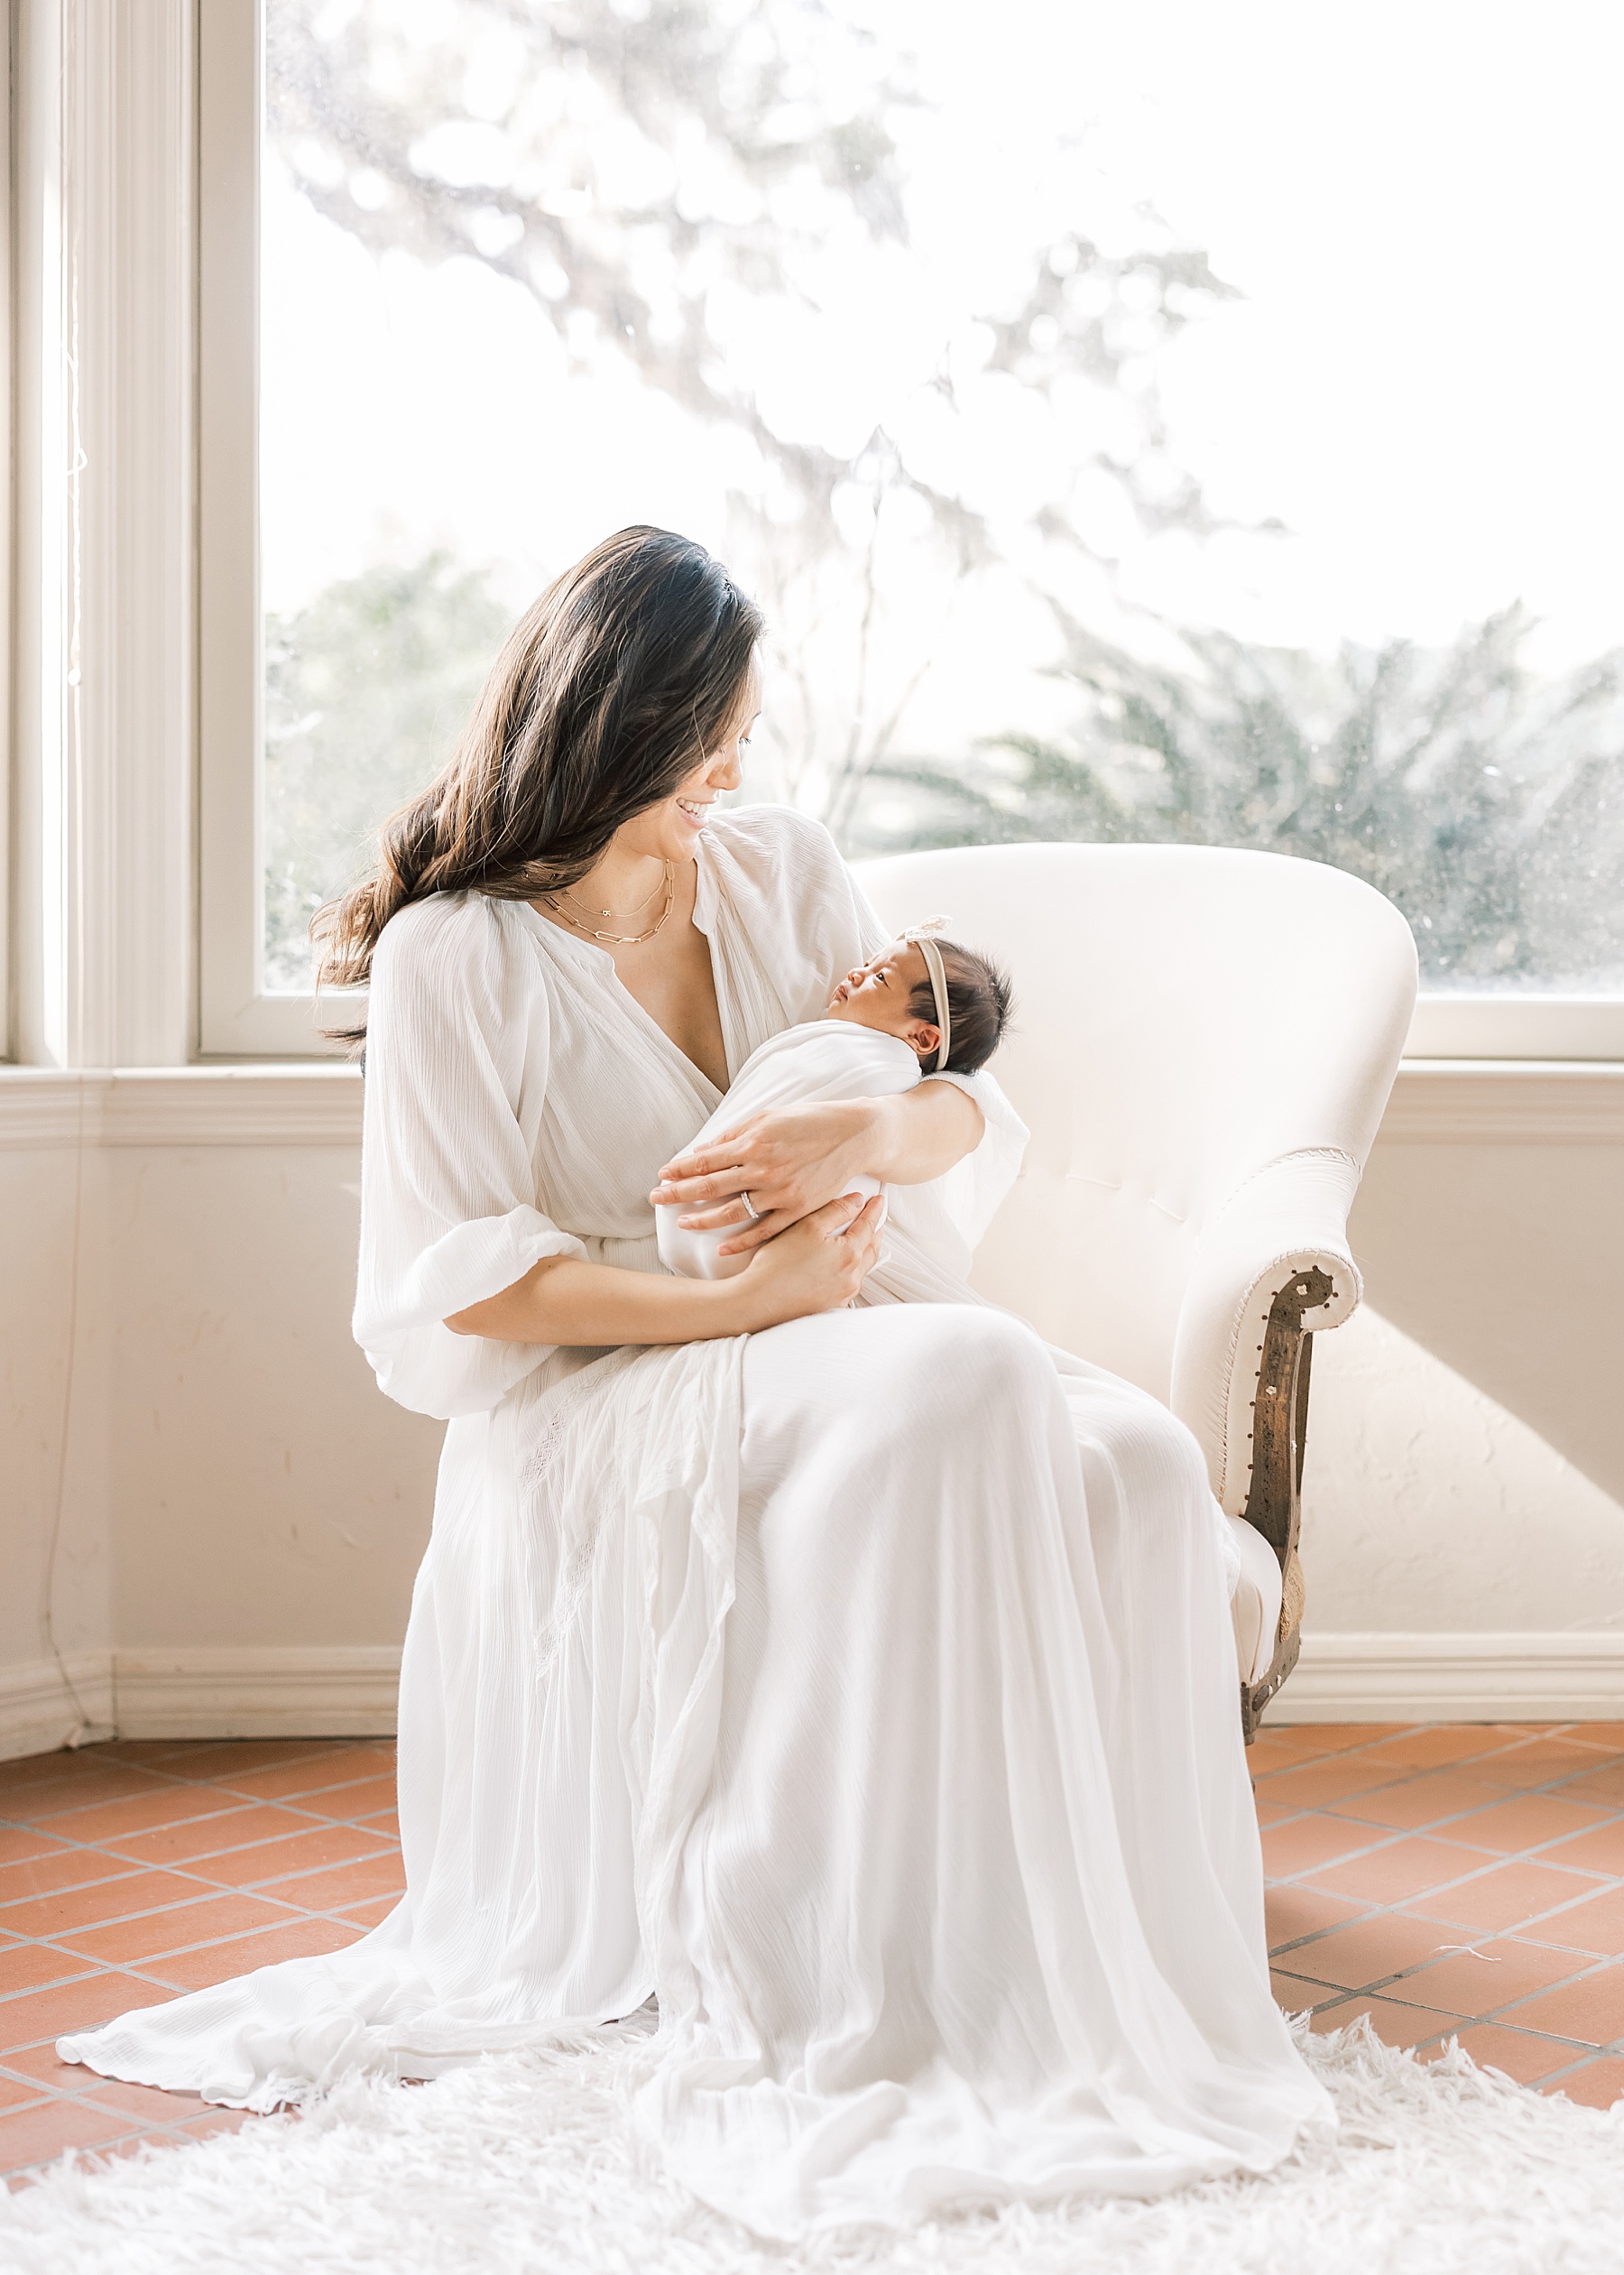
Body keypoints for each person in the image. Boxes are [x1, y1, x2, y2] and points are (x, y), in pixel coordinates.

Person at [58, 526, 1329, 2237]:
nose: (733, 768)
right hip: (603, 1394)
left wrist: (863, 1122)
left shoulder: (777, 867)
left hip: (834, 1332)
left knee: (1132, 1461)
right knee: (967, 1375)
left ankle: (1066, 1963)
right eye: (702, 737)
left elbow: (961, 1106)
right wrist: (750, 1301)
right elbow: (466, 1292)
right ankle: (823, 1960)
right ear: (608, 729)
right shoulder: (458, 956)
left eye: (740, 729)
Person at [653, 928, 1011, 1282]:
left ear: (921, 1037)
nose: (857, 972)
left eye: (881, 978)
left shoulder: (890, 1070)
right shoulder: (844, 1043)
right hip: (717, 1251)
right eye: (869, 963)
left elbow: (969, 1104)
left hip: (781, 1256)